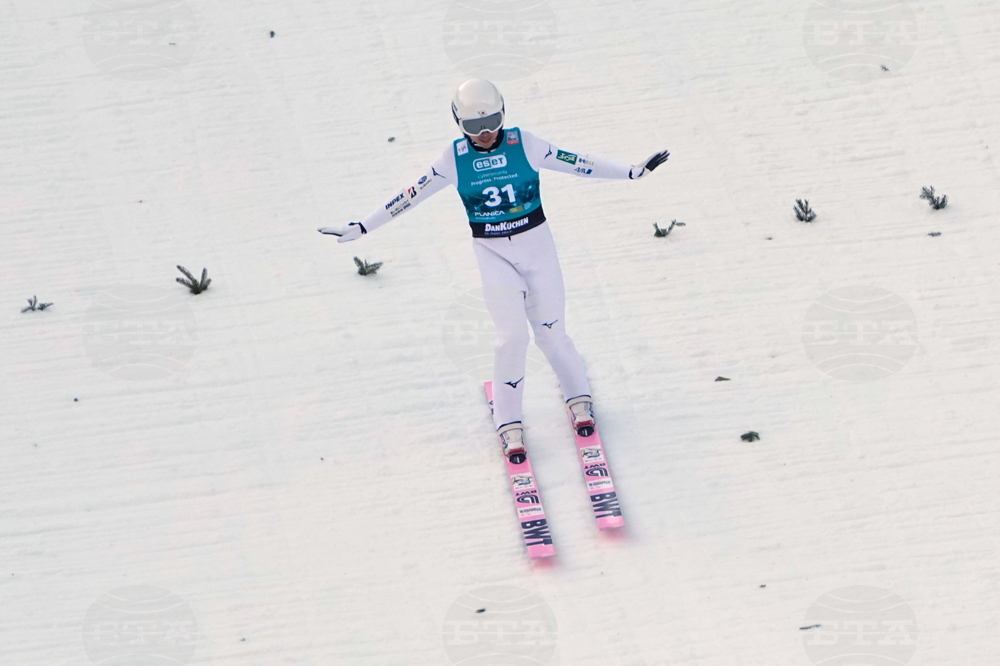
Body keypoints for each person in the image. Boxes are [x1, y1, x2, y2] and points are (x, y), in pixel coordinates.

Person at [320, 78, 669, 461]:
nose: (485, 133)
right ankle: (509, 422)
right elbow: (411, 195)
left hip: (538, 250)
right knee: (512, 338)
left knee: (551, 332)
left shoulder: (525, 144)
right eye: (474, 126)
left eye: (492, 122)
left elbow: (577, 163)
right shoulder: (453, 159)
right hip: (493, 255)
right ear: (459, 123)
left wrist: (630, 172)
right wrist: (363, 226)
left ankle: (578, 397)